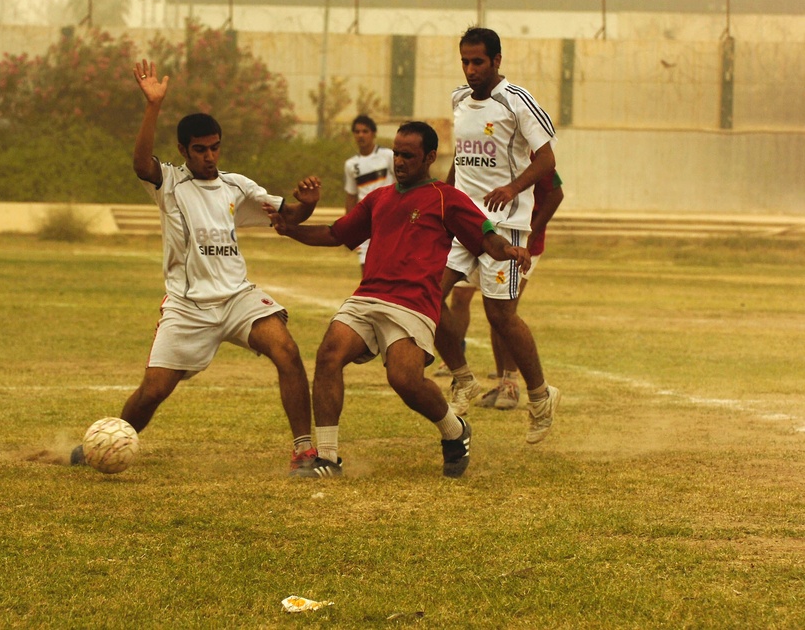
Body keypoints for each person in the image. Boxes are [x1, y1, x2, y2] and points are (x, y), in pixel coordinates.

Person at [71, 59, 320, 475]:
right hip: (188, 307)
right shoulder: (168, 184)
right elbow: (139, 164)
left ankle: (304, 453)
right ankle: (109, 442)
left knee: (288, 352)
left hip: (238, 298)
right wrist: (153, 107)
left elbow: (288, 216)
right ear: (184, 150)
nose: (209, 156)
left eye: (215, 147)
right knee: (153, 391)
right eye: (200, 149)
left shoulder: (236, 186)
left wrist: (307, 205)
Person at [265, 121, 531, 478]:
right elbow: (334, 233)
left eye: (408, 155)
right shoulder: (379, 198)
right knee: (329, 354)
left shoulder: (445, 198)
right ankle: (327, 459)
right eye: (396, 154)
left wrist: (508, 249)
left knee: (403, 379)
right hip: (369, 296)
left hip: (414, 303)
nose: (399, 162)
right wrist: (290, 229)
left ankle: (455, 430)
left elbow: (486, 238)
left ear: (430, 158)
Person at [436, 26, 561, 444]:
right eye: (465, 62)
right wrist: (443, 197)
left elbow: (546, 160)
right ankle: (463, 379)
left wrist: (512, 188)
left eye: (478, 62)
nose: (471, 70)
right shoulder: (457, 99)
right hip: (461, 222)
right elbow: (461, 160)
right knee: (426, 295)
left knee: (500, 316)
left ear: (496, 61)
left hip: (505, 224)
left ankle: (541, 397)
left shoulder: (517, 100)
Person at [343, 115, 396, 273]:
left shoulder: (388, 156)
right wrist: (349, 227)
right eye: (357, 132)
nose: (361, 135)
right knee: (367, 272)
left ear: (373, 133)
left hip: (389, 221)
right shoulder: (351, 164)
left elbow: (403, 183)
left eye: (365, 131)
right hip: (366, 223)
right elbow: (351, 196)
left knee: (390, 269)